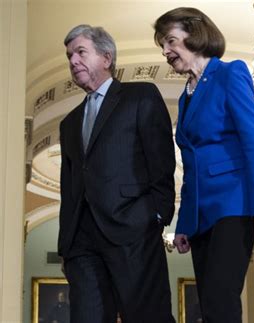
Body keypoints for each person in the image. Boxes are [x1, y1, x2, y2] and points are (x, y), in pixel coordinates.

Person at [153, 7, 254, 322]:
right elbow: (190, 165)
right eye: (162, 46)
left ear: (195, 34)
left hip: (234, 206)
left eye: (170, 41)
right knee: (209, 306)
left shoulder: (230, 73)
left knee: (221, 300)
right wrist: (184, 224)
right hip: (201, 215)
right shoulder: (186, 97)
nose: (166, 52)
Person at [58, 24, 176, 323]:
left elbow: (161, 160)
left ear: (106, 58)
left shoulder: (141, 96)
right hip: (82, 242)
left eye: (81, 52)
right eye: (70, 55)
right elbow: (68, 187)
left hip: (132, 229)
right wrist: (66, 246)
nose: (73, 61)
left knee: (148, 316)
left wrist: (157, 215)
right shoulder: (69, 123)